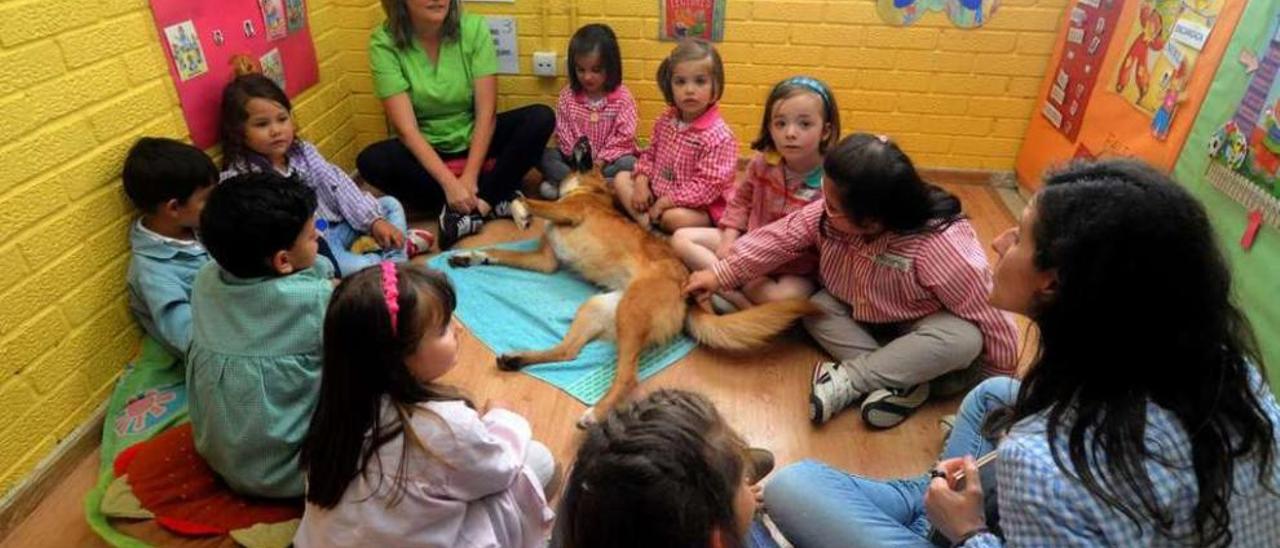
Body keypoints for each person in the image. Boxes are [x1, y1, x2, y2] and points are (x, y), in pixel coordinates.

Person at [764, 159, 1280, 547]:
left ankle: (935, 520)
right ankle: (929, 499)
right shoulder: (1230, 370)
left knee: (792, 486)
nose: (1001, 239)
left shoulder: (1041, 464)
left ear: (1053, 283)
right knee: (993, 393)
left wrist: (969, 534)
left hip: (990, 525)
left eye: (1022, 235)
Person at [685, 134, 1018, 429]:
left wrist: (994, 392)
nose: (821, 205)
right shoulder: (827, 215)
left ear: (872, 222)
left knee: (963, 338)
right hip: (860, 318)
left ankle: (852, 380)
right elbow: (778, 238)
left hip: (921, 330)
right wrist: (719, 274)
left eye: (831, 204)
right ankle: (903, 384)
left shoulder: (939, 245)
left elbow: (992, 315)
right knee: (816, 308)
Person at [295, 264, 555, 546]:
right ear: (397, 358)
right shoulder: (444, 426)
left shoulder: (337, 409)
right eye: (443, 328)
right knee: (538, 459)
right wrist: (503, 418)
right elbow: (499, 470)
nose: (458, 329)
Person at [358, 0, 554, 248]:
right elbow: (407, 131)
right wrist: (450, 185)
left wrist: (470, 176)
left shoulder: (473, 28)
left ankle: (477, 208)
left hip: (476, 141)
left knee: (540, 117)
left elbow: (486, 114)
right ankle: (495, 194)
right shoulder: (383, 42)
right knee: (370, 160)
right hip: (428, 149)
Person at [187, 173, 333, 497]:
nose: (318, 240)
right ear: (282, 260)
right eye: (313, 236)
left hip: (223, 457)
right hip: (296, 472)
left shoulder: (205, 279)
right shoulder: (315, 301)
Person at [218, 68, 429, 277]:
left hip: (340, 225)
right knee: (347, 267)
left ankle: (392, 255)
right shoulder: (242, 181)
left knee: (390, 204)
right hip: (315, 248)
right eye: (262, 124)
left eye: (282, 119)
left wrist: (374, 222)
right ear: (239, 132)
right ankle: (394, 256)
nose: (276, 130)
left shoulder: (304, 152)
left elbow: (339, 187)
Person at [672, 76, 839, 312]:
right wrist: (729, 240)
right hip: (747, 243)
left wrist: (734, 266)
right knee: (681, 238)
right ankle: (741, 301)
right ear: (769, 127)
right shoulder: (763, 163)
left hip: (793, 266)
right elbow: (741, 201)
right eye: (780, 124)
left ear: (825, 130)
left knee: (782, 298)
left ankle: (729, 289)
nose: (790, 133)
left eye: (804, 124)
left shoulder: (830, 182)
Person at [556, 389, 778, 548]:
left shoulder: (589, 499)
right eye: (743, 479)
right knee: (785, 486)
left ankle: (721, 493)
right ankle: (726, 502)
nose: (748, 483)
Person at [612, 39, 737, 233]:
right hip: (660, 189)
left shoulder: (720, 136)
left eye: (700, 81)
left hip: (698, 206)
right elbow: (649, 154)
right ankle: (648, 226)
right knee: (621, 178)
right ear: (670, 86)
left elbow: (706, 187)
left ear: (715, 87)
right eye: (680, 81)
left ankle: (654, 222)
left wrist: (665, 203)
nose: (689, 90)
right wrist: (641, 182)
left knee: (672, 219)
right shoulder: (665, 120)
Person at [122, 137, 216, 359]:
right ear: (174, 208)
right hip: (218, 350)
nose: (217, 202)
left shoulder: (197, 224)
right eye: (207, 198)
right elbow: (191, 340)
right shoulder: (152, 273)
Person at [539, 23, 637, 199]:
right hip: (574, 163)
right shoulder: (567, 96)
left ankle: (573, 187)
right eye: (580, 70)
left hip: (607, 164)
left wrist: (599, 163)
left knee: (630, 163)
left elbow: (624, 137)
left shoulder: (622, 98)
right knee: (545, 156)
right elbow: (564, 132)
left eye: (596, 70)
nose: (587, 77)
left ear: (611, 67)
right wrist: (579, 162)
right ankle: (589, 187)